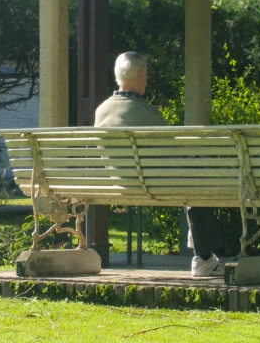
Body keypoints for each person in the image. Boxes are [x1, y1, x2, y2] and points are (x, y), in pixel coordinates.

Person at [94, 51, 224, 277]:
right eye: (147, 75)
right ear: (141, 75)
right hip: (150, 184)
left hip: (117, 184)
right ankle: (203, 258)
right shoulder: (146, 113)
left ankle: (202, 254)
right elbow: (175, 152)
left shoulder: (101, 110)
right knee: (198, 178)